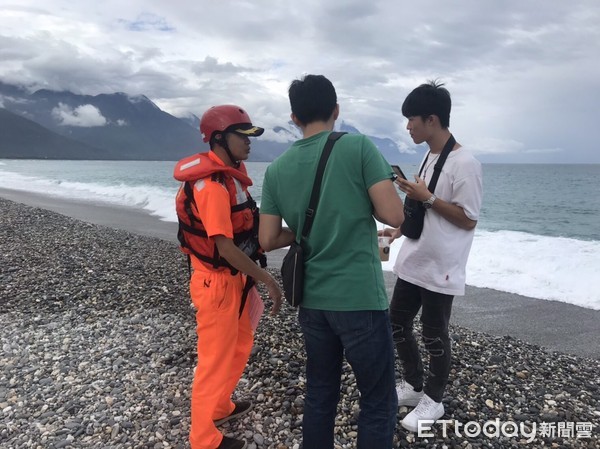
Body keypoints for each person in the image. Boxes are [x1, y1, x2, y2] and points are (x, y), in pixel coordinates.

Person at [259, 74, 405, 449]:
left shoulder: (276, 170)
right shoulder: (358, 147)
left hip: (312, 300)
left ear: (293, 117)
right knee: (377, 398)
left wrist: (308, 230)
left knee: (321, 392)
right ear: (336, 110)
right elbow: (394, 215)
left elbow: (268, 239)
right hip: (359, 298)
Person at [173, 105, 283, 449]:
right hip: (216, 283)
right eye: (243, 137)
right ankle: (203, 439)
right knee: (213, 360)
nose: (250, 144)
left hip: (236, 279)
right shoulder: (211, 187)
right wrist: (267, 280)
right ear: (220, 139)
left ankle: (221, 407)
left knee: (240, 344)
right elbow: (225, 248)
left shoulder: (231, 175)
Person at [380, 81, 483, 433]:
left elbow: (468, 218)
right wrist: (399, 230)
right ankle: (413, 385)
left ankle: (434, 400)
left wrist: (426, 198)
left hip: (441, 267)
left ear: (432, 119)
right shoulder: (429, 155)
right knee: (396, 323)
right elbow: (425, 206)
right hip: (416, 258)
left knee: (434, 334)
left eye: (412, 120)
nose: (408, 127)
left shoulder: (465, 163)